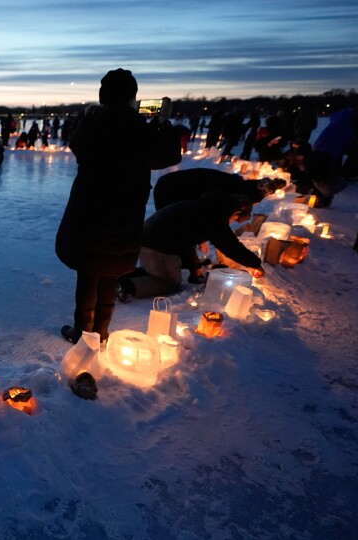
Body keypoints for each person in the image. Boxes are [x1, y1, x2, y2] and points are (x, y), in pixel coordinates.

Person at [55, 68, 181, 344]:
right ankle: (100, 331)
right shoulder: (140, 130)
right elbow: (169, 155)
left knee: (88, 272)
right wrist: (163, 125)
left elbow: (77, 144)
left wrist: (88, 117)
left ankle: (82, 331)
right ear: (132, 98)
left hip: (89, 213)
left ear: (103, 97)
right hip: (125, 215)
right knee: (109, 272)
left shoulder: (93, 125)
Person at [117, 193, 264, 301]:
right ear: (236, 212)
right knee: (169, 283)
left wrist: (195, 268)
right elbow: (228, 244)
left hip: (150, 238)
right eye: (235, 220)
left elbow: (186, 241)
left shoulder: (209, 206)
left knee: (156, 272)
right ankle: (126, 285)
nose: (232, 223)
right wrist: (254, 264)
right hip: (157, 244)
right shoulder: (215, 215)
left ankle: (117, 277)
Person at [153, 168, 283, 211]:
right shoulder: (226, 189)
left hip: (170, 184)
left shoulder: (234, 183)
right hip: (171, 188)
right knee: (168, 224)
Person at [306, 107, 357, 208]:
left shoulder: (341, 117)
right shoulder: (350, 125)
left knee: (319, 171)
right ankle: (322, 195)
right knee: (326, 173)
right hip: (331, 151)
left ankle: (319, 194)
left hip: (320, 146)